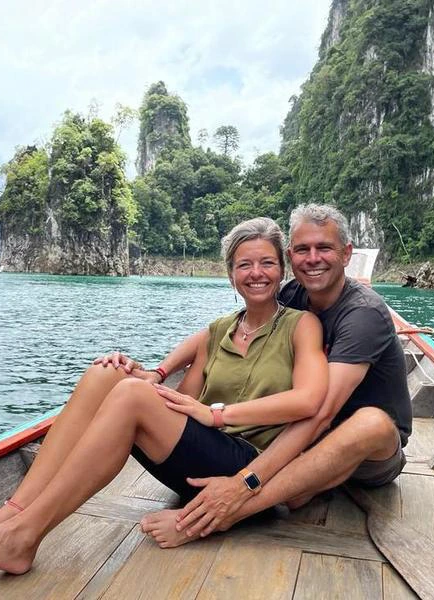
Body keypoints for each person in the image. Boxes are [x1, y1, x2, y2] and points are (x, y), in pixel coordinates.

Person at [0, 217, 328, 573]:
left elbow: (310, 400)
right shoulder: (217, 331)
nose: (256, 273)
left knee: (132, 394)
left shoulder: (301, 325)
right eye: (244, 264)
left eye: (267, 263)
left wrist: (218, 414)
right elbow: (181, 403)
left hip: (247, 474)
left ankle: (24, 537)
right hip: (196, 466)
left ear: (282, 271)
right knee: (107, 374)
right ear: (230, 274)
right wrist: (135, 372)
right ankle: (12, 512)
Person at [103, 203, 412, 548]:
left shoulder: (362, 314)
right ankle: (296, 486)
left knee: (370, 423)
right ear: (290, 258)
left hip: (365, 454)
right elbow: (215, 332)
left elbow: (321, 412)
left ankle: (225, 514)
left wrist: (243, 482)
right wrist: (160, 372)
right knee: (297, 481)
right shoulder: (296, 293)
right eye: (302, 250)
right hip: (305, 440)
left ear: (346, 254)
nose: (313, 259)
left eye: (324, 247)